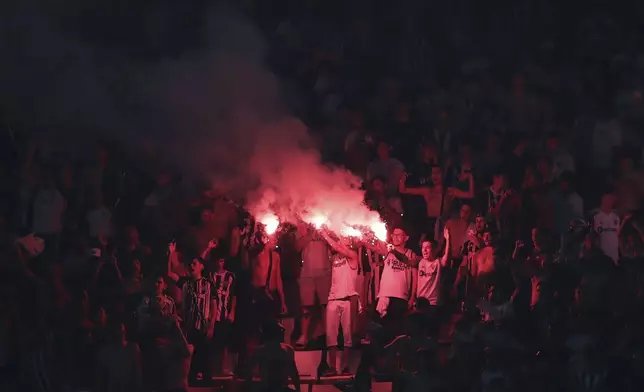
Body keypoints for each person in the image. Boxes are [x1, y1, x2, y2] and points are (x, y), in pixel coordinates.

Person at [364, 225, 418, 340]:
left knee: (396, 331)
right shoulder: (388, 251)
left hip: (400, 297)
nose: (395, 237)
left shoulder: (410, 254)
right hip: (384, 296)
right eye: (394, 235)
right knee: (381, 330)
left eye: (399, 235)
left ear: (406, 238)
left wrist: (412, 297)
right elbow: (374, 245)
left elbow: (414, 274)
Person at [318, 228, 360, 376]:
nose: (342, 238)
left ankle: (347, 366)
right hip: (333, 299)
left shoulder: (353, 255)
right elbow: (333, 249)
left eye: (345, 237)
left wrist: (323, 233)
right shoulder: (334, 257)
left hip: (347, 300)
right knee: (331, 335)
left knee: (348, 335)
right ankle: (333, 367)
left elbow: (336, 246)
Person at [179, 256, 216, 383]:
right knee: (192, 354)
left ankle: (207, 378)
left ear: (201, 266)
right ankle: (193, 377)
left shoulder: (209, 284)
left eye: (195, 263)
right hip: (191, 325)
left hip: (204, 325)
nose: (192, 266)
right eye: (190, 263)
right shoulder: (186, 285)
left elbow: (213, 306)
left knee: (205, 353)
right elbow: (184, 307)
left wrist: (211, 326)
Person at [295, 223, 330, 347]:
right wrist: (310, 233)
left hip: (325, 271)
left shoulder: (326, 222)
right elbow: (298, 247)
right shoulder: (302, 226)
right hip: (307, 272)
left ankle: (328, 335)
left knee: (325, 306)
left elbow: (334, 244)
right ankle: (304, 336)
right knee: (306, 306)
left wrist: (324, 232)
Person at [248, 321, 301, 392]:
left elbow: (249, 373)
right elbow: (294, 375)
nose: (283, 332)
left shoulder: (259, 351)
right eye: (280, 331)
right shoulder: (288, 350)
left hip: (275, 388)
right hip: (271, 389)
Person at [96, 322, 143, 392]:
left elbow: (137, 371)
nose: (118, 335)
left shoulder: (133, 348)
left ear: (125, 332)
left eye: (120, 332)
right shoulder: (106, 350)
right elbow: (101, 374)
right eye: (116, 332)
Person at [210, 257, 236, 376]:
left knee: (225, 341)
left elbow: (234, 295)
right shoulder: (210, 275)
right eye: (218, 260)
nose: (219, 263)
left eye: (221, 260)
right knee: (213, 341)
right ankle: (214, 368)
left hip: (225, 313)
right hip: (213, 314)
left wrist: (232, 312)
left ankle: (223, 367)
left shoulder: (230, 276)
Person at [417, 227, 451, 308]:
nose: (424, 250)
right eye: (423, 247)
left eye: (427, 247)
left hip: (432, 303)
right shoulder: (420, 262)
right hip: (420, 301)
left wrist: (448, 240)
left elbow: (447, 258)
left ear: (434, 249)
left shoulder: (438, 262)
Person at [592, 191, 620, 264]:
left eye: (610, 200)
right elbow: (599, 230)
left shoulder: (616, 217)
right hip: (603, 245)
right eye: (607, 200)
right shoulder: (597, 217)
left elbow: (617, 230)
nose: (609, 202)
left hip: (614, 246)